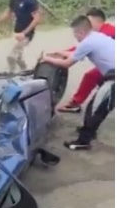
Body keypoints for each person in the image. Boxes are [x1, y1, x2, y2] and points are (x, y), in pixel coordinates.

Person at [42, 15, 115, 150]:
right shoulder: (96, 36)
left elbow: (67, 63)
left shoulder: (87, 42)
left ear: (81, 32)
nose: (75, 36)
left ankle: (83, 141)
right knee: (98, 107)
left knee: (94, 109)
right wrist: (58, 53)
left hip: (113, 79)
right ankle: (88, 132)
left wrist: (47, 58)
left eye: (75, 33)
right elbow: (74, 54)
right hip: (111, 76)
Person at [53, 8, 115, 113]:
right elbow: (80, 49)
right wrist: (62, 53)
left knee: (92, 76)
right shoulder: (97, 34)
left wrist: (61, 54)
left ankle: (76, 103)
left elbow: (81, 49)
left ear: (98, 21)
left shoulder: (107, 31)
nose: (87, 24)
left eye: (89, 21)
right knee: (94, 77)